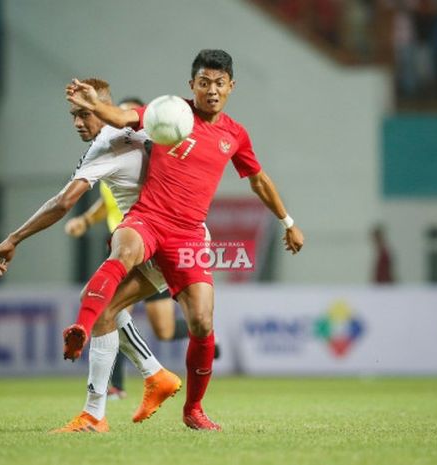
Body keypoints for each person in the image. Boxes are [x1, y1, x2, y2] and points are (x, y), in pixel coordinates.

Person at [62, 49, 305, 431]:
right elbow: (124, 116)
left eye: (219, 84)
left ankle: (193, 410)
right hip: (148, 220)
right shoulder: (170, 111)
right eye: (204, 82)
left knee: (203, 323)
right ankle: (92, 397)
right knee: (117, 268)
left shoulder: (235, 134)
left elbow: (258, 179)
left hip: (189, 236)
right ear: (191, 84)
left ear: (231, 87)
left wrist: (287, 220)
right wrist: (95, 104)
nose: (212, 90)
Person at [0, 78, 182, 433]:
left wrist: (14, 238)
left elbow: (63, 202)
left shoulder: (106, 143)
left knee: (100, 305)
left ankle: (95, 413)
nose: (78, 122)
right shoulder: (146, 130)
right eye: (73, 115)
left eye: (85, 113)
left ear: (103, 109)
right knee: (103, 304)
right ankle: (155, 374)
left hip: (150, 238)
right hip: (181, 236)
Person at [64, 97, 197, 400]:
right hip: (126, 245)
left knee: (152, 325)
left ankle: (178, 351)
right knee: (109, 306)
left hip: (153, 242)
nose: (120, 121)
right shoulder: (114, 156)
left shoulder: (151, 151)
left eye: (126, 116)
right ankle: (121, 384)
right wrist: (85, 221)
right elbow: (105, 203)